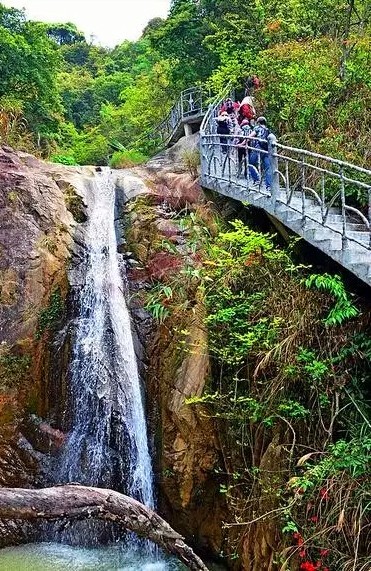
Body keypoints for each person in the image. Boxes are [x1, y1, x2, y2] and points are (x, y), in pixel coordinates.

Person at [248, 116, 273, 190]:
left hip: (258, 148)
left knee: (250, 163)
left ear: (258, 122)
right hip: (267, 150)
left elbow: (250, 136)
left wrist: (243, 143)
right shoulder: (268, 130)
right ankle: (268, 186)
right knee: (268, 167)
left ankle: (256, 180)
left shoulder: (257, 128)